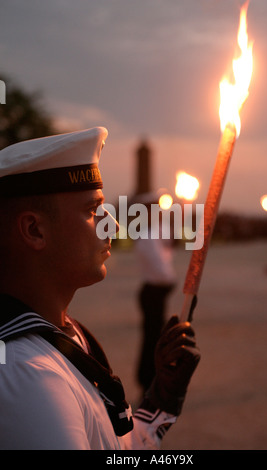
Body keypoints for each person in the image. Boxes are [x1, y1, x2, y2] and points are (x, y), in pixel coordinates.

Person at [0, 127, 200, 450]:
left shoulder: (60, 334)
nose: (113, 225)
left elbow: (115, 447)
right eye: (92, 211)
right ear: (35, 230)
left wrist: (161, 400)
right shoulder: (30, 376)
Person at [134, 192, 176, 392]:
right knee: (152, 340)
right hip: (152, 292)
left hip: (155, 292)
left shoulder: (155, 231)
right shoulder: (147, 236)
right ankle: (147, 381)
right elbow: (161, 270)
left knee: (155, 337)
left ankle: (151, 379)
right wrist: (172, 282)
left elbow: (169, 244)